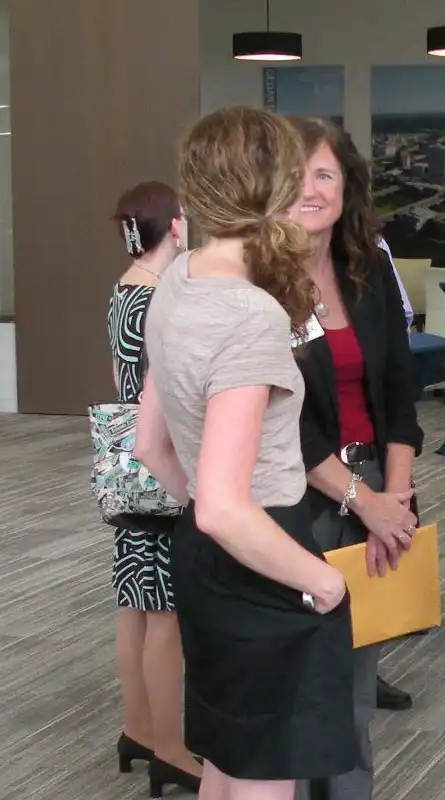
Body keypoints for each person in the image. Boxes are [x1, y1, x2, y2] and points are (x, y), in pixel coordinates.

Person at [134, 106, 356, 800]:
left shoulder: (177, 279)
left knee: (229, 762)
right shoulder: (247, 313)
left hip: (207, 558)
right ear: (279, 185)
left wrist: (206, 508)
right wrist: (324, 583)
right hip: (261, 552)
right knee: (262, 774)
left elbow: (150, 444)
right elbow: (230, 509)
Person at [286, 116, 424, 800]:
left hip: (378, 493)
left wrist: (392, 498)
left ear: (347, 186)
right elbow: (277, 421)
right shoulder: (258, 284)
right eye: (295, 175)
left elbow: (401, 389)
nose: (310, 189)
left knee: (356, 689)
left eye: (324, 174)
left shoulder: (367, 271)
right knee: (302, 687)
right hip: (297, 503)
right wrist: (359, 500)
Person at [105, 181, 203, 795]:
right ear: (173, 227)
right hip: (159, 462)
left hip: (123, 468)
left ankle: (138, 729)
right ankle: (171, 747)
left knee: (135, 603)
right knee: (166, 611)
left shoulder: (124, 289)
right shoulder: (158, 300)